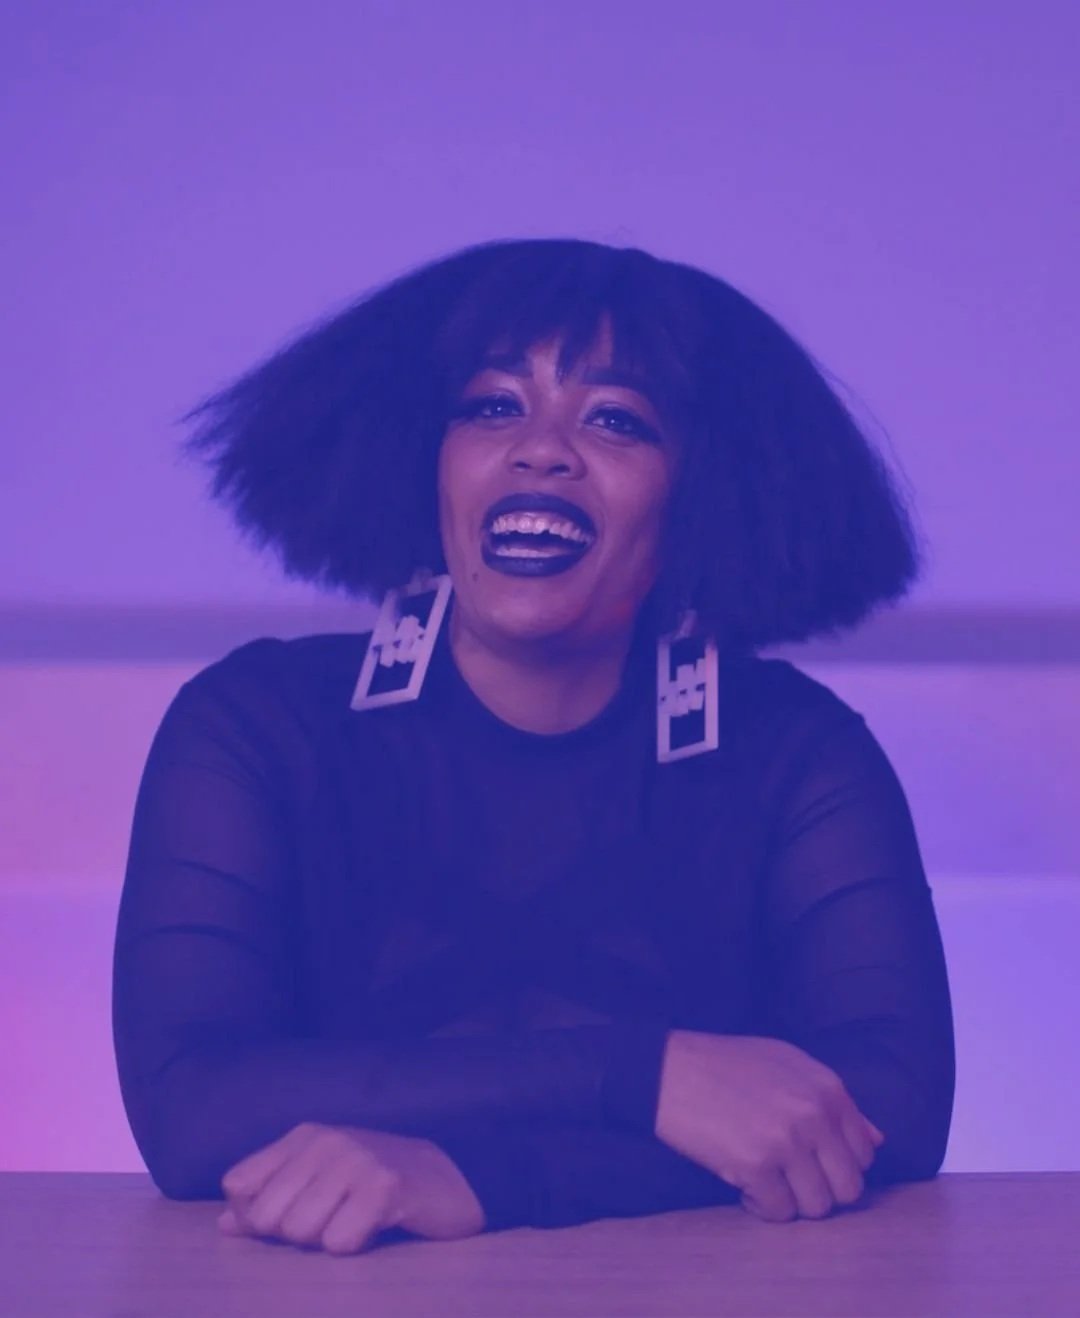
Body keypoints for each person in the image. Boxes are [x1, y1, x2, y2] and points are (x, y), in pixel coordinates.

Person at [111, 237, 955, 1256]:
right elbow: (191, 1108)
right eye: (494, 406)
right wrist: (644, 1078)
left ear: (700, 497)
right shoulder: (252, 723)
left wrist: (486, 1179)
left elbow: (889, 1111)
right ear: (431, 462)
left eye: (616, 420)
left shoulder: (800, 754)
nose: (542, 449)